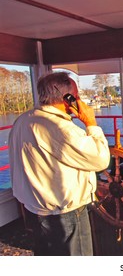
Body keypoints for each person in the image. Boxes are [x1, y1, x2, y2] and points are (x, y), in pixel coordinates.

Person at [8, 72, 110, 256]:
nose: (78, 99)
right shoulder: (60, 128)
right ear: (67, 98)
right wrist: (91, 123)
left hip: (33, 209)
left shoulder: (22, 120)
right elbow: (100, 160)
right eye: (76, 96)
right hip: (66, 215)